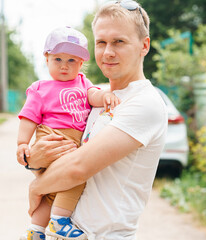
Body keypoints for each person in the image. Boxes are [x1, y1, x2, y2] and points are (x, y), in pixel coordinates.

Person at [26, 1, 168, 239]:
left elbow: (77, 168)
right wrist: (35, 160)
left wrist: (36, 187)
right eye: (101, 42)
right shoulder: (95, 96)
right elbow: (58, 154)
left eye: (119, 42)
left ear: (144, 46)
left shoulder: (145, 103)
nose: (108, 52)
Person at [17, 26, 120, 240]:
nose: (64, 66)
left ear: (81, 63)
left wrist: (106, 97)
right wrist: (22, 143)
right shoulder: (40, 88)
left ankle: (35, 230)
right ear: (46, 59)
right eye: (58, 60)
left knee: (53, 190)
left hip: (73, 140)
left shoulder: (83, 82)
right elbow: (28, 117)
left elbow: (93, 96)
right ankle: (59, 222)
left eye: (71, 60)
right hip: (53, 137)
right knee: (75, 178)